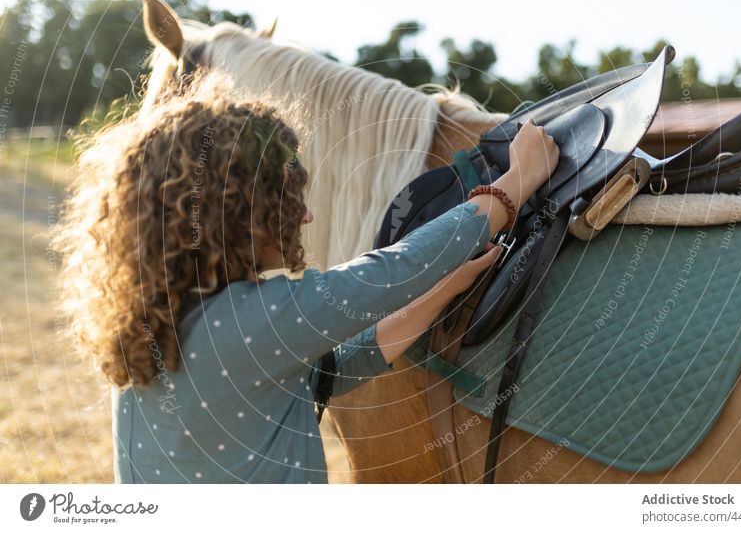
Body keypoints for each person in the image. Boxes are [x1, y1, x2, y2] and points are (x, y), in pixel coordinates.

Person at [52, 76, 558, 483]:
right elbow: (392, 269)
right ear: (235, 214)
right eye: (288, 198)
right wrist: (517, 182)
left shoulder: (169, 315)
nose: (307, 217)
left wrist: (444, 289)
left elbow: (336, 369)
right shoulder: (254, 320)